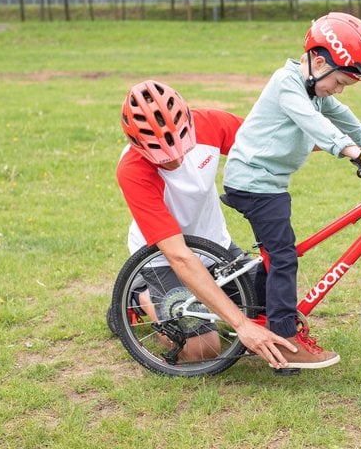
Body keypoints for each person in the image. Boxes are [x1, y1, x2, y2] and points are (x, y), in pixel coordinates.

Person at [222, 12, 361, 369]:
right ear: (318, 61)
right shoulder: (287, 84)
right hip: (253, 182)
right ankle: (284, 338)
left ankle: (260, 315)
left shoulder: (314, 87)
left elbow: (338, 113)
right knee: (284, 255)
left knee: (276, 254)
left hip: (268, 183)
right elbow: (314, 123)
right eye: (341, 81)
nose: (339, 89)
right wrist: (353, 152)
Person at [112, 79, 296, 368]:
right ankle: (139, 296)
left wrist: (343, 147)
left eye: (179, 145)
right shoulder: (132, 171)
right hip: (166, 259)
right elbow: (178, 257)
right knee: (204, 350)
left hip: (216, 247)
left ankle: (210, 301)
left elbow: (267, 140)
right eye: (161, 154)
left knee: (270, 309)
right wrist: (240, 325)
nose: (174, 158)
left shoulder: (209, 123)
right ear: (136, 143)